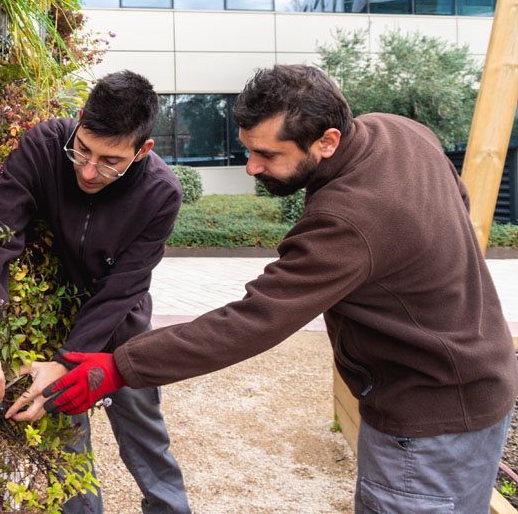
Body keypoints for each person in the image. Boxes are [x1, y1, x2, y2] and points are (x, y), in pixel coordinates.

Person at [42, 64, 518, 513]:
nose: (251, 167)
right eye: (249, 149)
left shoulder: (348, 219)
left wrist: (120, 367)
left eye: (268, 154)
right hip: (481, 380)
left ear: (327, 141)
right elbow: (459, 201)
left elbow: (255, 319)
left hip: (426, 416)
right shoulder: (401, 131)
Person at [0, 70, 192, 514]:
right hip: (56, 316)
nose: (88, 170)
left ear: (143, 150)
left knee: (145, 437)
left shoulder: (162, 192)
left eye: (110, 161)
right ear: (80, 118)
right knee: (68, 448)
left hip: (121, 327)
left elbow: (122, 288)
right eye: (82, 149)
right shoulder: (44, 145)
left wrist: (68, 363)